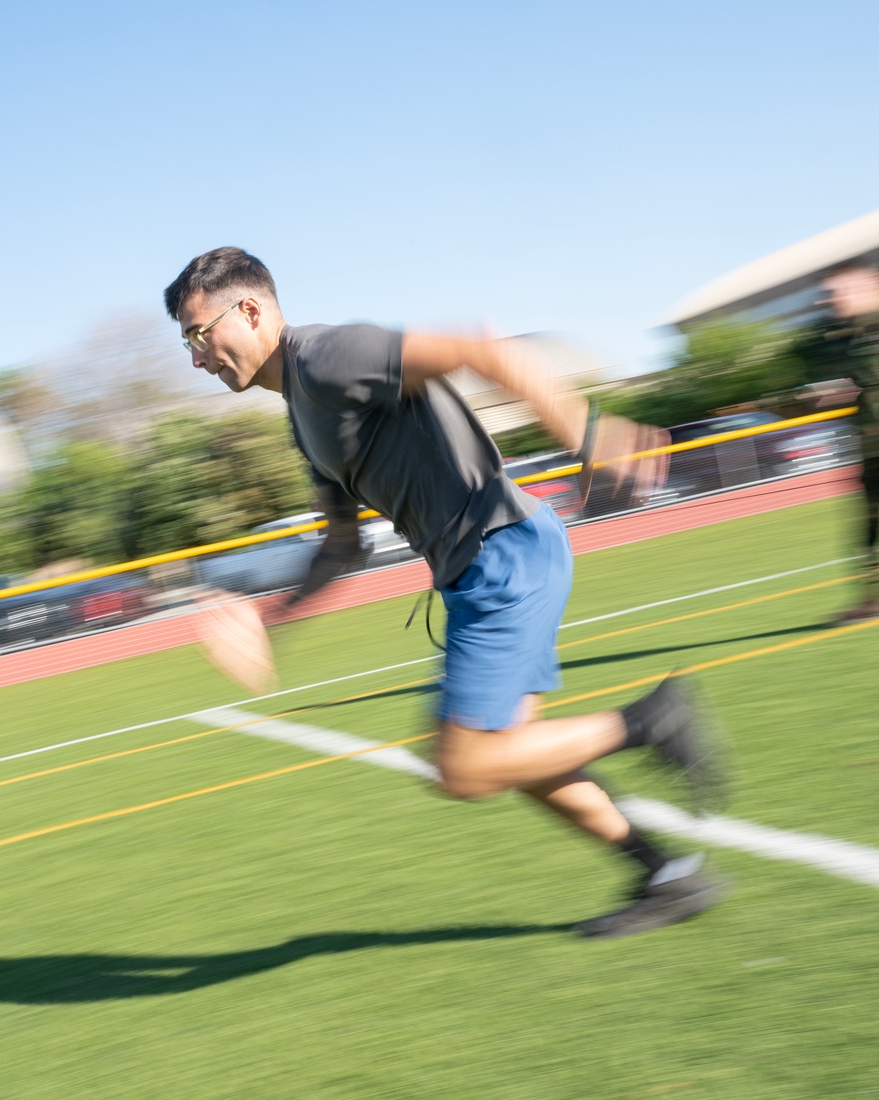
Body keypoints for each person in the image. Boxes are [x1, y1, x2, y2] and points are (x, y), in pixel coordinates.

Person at [164, 247, 726, 938]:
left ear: (248, 311)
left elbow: (486, 351)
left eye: (198, 335)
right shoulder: (303, 414)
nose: (196, 358)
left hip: (501, 554)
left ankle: (649, 722)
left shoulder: (330, 356)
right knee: (513, 751)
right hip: (487, 565)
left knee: (461, 767)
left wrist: (585, 431)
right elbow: (343, 548)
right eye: (187, 344)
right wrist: (266, 621)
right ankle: (665, 876)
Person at [805, 263, 879, 621]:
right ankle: (873, 599)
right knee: (869, 526)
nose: (830, 301)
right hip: (872, 449)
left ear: (871, 285)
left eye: (839, 291)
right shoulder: (849, 336)